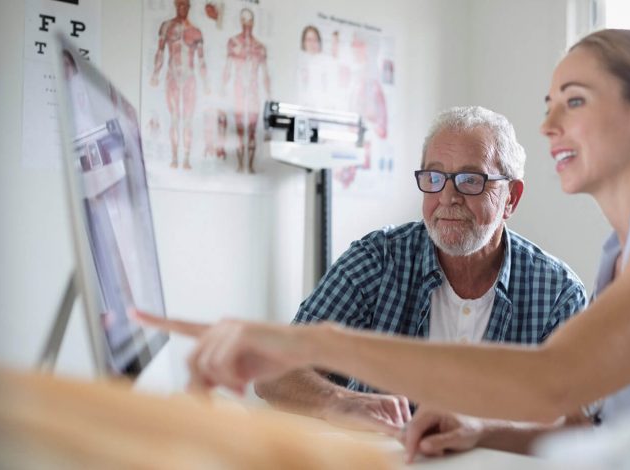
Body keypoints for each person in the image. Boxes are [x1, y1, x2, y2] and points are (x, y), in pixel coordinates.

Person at [136, 29, 630, 468]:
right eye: (550, 100)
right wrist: (477, 431)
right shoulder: (629, 250)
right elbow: (594, 427)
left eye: (575, 101)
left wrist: (314, 341)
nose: (550, 119)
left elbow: (553, 382)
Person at [249, 106, 587, 436]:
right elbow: (273, 372)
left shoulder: (557, 293)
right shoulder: (377, 260)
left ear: (511, 198)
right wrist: (337, 401)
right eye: (434, 177)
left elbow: (577, 422)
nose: (448, 197)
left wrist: (481, 430)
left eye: (471, 180)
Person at [150, 0, 209, 170]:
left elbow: (202, 60)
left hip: (190, 78)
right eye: (180, 5)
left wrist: (206, 83)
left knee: (188, 120)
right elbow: (160, 52)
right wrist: (155, 74)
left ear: (189, 7)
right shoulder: (167, 27)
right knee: (175, 118)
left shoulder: (196, 32)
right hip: (172, 77)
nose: (183, 8)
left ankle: (187, 158)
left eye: (186, 5)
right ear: (176, 5)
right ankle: (175, 157)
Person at [221, 8, 271, 174]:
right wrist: (221, 94)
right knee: (239, 131)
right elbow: (227, 71)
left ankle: (249, 166)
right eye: (244, 20)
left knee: (252, 132)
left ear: (253, 22)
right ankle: (240, 165)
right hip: (238, 92)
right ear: (241, 22)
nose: (247, 24)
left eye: (249, 21)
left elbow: (265, 75)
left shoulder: (260, 48)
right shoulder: (233, 43)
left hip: (254, 93)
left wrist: (270, 99)